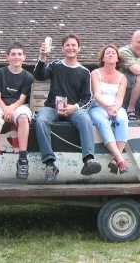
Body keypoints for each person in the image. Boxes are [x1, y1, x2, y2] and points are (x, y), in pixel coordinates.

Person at [33, 34, 101, 179]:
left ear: (79, 48)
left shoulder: (84, 72)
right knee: (40, 120)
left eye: (73, 45)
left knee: (85, 119)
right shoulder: (55, 65)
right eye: (68, 45)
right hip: (51, 107)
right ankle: (50, 163)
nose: (71, 48)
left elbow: (87, 98)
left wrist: (74, 107)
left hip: (73, 110)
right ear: (63, 48)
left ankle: (89, 160)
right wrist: (42, 57)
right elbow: (39, 76)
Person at [0, 42, 34, 182]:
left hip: (18, 106)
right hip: (0, 105)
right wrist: (5, 109)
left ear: (24, 57)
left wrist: (11, 109)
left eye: (19, 54)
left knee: (24, 117)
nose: (16, 57)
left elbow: (22, 99)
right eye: (13, 54)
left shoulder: (28, 77)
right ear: (7, 57)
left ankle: (23, 159)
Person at [89, 44, 130, 174]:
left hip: (115, 107)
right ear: (103, 58)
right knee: (103, 122)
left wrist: (115, 109)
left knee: (123, 120)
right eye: (107, 53)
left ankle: (114, 161)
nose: (111, 54)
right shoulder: (95, 73)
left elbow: (120, 98)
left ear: (117, 58)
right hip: (98, 106)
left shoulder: (122, 77)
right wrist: (107, 107)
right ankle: (120, 159)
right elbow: (97, 94)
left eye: (113, 52)